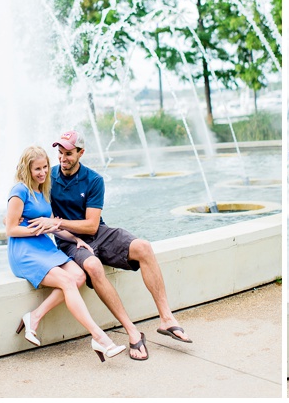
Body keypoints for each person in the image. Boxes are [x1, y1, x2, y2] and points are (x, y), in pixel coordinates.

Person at [27, 130, 191, 362]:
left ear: (81, 153)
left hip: (98, 233)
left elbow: (92, 226)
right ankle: (132, 331)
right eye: (60, 153)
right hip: (69, 241)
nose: (63, 158)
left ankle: (166, 319)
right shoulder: (49, 177)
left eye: (69, 153)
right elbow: (25, 194)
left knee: (143, 246)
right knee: (93, 266)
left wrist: (56, 221)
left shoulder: (94, 180)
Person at [5, 145, 126, 362]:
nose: (43, 173)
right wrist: (37, 229)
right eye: (37, 169)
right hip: (25, 252)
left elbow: (54, 226)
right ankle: (99, 337)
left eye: (44, 167)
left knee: (79, 275)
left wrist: (76, 239)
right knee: (68, 282)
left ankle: (34, 316)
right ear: (27, 169)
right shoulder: (19, 191)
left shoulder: (42, 191)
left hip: (44, 248)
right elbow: (10, 229)